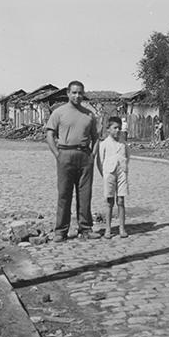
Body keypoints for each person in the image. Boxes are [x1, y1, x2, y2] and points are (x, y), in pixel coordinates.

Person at [46, 81, 102, 242]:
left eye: (80, 93)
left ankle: (85, 228)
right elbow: (50, 135)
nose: (77, 96)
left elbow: (96, 137)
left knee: (85, 194)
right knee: (64, 194)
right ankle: (61, 231)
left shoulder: (89, 114)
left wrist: (92, 155)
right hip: (65, 154)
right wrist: (57, 154)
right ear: (68, 94)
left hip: (84, 156)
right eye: (74, 92)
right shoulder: (59, 112)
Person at [96, 116, 130, 239]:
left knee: (121, 200)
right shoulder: (104, 144)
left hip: (121, 173)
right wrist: (104, 175)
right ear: (108, 129)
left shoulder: (123, 144)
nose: (117, 131)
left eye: (119, 128)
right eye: (115, 128)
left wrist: (124, 169)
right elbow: (99, 161)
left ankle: (122, 228)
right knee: (109, 201)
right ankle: (108, 229)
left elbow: (127, 157)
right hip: (109, 174)